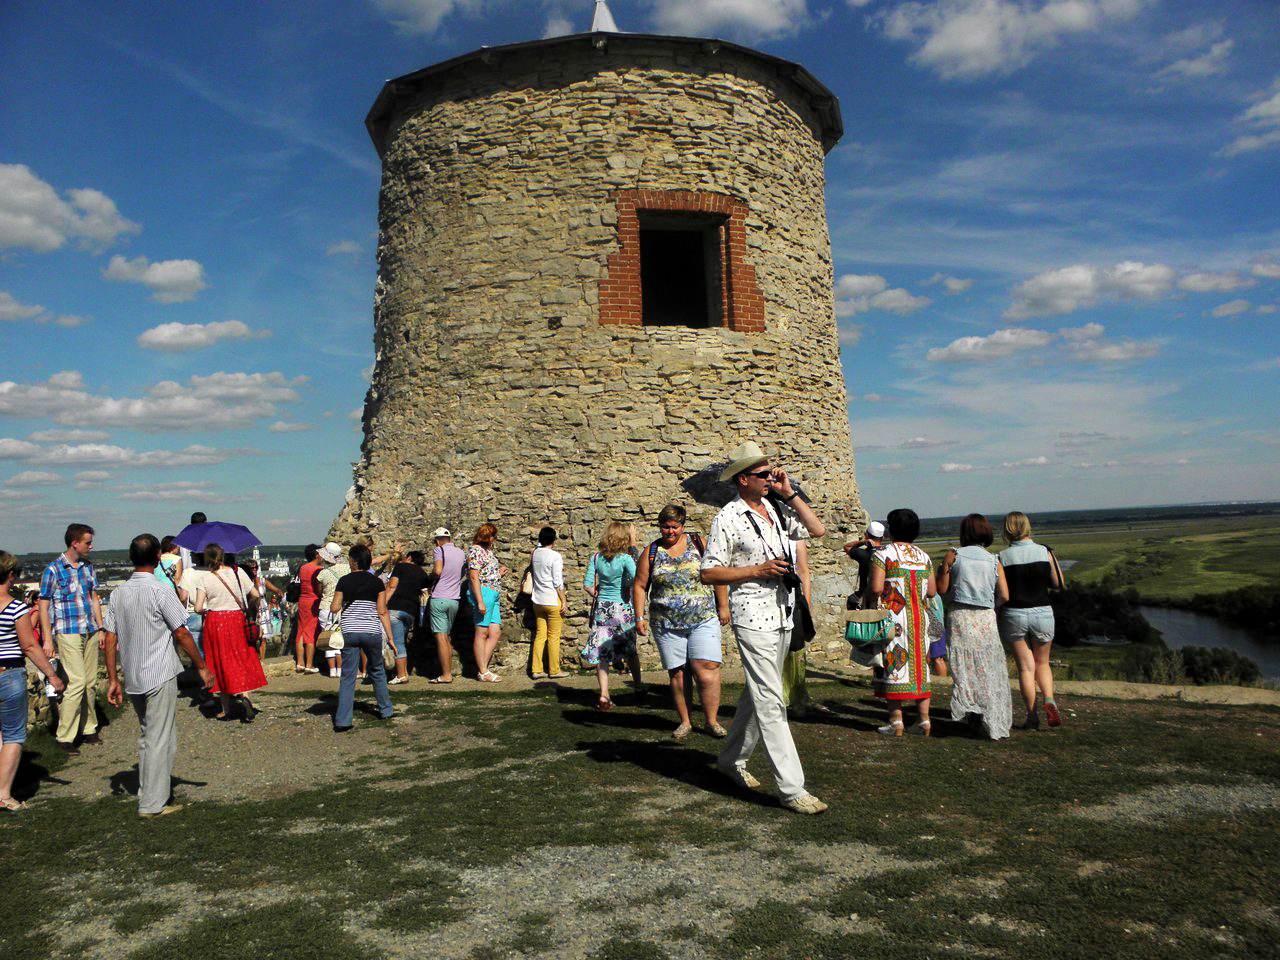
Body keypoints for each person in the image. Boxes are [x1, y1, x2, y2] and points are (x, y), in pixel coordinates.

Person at [701, 441, 828, 815]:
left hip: (783, 612)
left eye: (772, 472)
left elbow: (817, 530)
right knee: (773, 701)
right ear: (743, 480)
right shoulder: (727, 517)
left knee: (758, 695)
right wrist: (756, 571)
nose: (770, 478)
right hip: (752, 616)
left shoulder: (776, 509)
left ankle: (729, 761)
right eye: (763, 475)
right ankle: (793, 789)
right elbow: (709, 572)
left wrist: (790, 493)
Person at [103, 535, 214, 817]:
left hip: (133, 672)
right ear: (157, 559)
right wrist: (200, 665)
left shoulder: (118, 593)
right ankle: (152, 803)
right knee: (160, 737)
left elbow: (111, 638)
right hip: (160, 671)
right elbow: (181, 631)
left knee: (146, 734)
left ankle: (147, 788)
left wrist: (113, 678)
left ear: (131, 558)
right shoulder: (161, 591)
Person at [632, 505, 728, 739]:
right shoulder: (651, 551)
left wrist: (723, 605)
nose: (670, 531)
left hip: (702, 618)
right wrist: (639, 616)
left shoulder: (699, 543)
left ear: (683, 525)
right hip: (666, 622)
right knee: (678, 674)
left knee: (706, 671)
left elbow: (717, 573)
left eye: (674, 527)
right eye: (665, 526)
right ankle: (685, 721)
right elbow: (640, 585)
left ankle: (711, 721)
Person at [937, 514, 1012, 740]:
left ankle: (973, 711)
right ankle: (987, 714)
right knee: (987, 665)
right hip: (985, 617)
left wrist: (944, 569)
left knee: (965, 667)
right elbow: (1005, 595)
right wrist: (991, 607)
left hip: (961, 614)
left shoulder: (954, 555)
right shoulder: (994, 560)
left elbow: (942, 588)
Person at [0, 552, 64, 811]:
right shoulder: (15, 608)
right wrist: (51, 674)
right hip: (9, 674)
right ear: (11, 575)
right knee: (13, 735)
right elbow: (28, 645)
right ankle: (4, 793)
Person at [868, 508, 936, 736]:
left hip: (893, 619)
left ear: (891, 529)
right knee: (921, 666)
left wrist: (868, 597)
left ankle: (896, 721)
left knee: (892, 662)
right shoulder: (924, 557)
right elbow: (933, 591)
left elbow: (877, 588)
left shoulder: (883, 554)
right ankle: (924, 720)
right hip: (920, 617)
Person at [39, 522, 104, 755]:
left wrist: (101, 626)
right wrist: (47, 638)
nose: (91, 546)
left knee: (90, 682)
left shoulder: (88, 567)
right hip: (67, 630)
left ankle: (89, 728)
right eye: (87, 542)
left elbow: (93, 597)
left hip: (89, 628)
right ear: (74, 543)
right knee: (76, 681)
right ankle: (64, 735)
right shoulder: (53, 570)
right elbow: (43, 604)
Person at [998, 511, 1065, 730]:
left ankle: (1032, 717)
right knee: (1043, 663)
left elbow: (1001, 591)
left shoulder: (1002, 557)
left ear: (1007, 530)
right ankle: (1049, 699)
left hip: (1014, 613)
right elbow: (1058, 583)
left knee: (1026, 669)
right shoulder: (1045, 551)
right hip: (1042, 612)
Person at [194, 543, 267, 721]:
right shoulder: (238, 572)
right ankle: (245, 696)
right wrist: (245, 607)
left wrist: (206, 609)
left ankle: (225, 709)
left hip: (216, 621)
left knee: (219, 661)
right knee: (240, 657)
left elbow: (197, 608)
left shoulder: (205, 578)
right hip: (237, 619)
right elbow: (256, 594)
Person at [330, 543, 395, 731]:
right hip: (371, 631)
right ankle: (386, 710)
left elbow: (334, 607)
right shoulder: (376, 582)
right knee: (377, 671)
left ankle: (343, 720)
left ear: (355, 561)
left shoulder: (344, 581)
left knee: (348, 676)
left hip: (350, 631)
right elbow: (382, 612)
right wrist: (390, 638)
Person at [581, 522, 638, 710]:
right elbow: (639, 579)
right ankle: (638, 684)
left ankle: (604, 695)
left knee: (603, 653)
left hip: (603, 609)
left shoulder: (596, 557)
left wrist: (597, 594)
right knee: (630, 647)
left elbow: (588, 584)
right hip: (622, 608)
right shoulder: (625, 559)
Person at [467, 524, 508, 682]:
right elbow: (473, 577)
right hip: (483, 593)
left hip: (493, 592)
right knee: (482, 632)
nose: (495, 540)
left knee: (495, 632)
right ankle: (483, 671)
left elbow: (485, 574)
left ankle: (483, 669)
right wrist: (480, 601)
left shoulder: (488, 552)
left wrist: (498, 574)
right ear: (487, 536)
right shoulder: (476, 550)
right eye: (493, 536)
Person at [529, 527, 569, 679]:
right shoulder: (555, 556)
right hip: (552, 600)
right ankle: (554, 670)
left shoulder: (535, 554)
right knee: (553, 637)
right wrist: (564, 600)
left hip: (537, 600)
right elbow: (557, 582)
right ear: (554, 540)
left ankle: (536, 670)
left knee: (540, 635)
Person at [383, 550, 427, 684]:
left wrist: (382, 604)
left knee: (397, 643)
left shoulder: (401, 566)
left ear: (409, 558)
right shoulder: (423, 574)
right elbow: (425, 593)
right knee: (400, 640)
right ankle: (402, 671)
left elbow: (392, 586)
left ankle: (401, 675)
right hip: (411, 611)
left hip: (395, 607)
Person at [780, 539, 813, 716]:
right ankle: (777, 697)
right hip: (770, 597)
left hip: (794, 598)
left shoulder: (795, 539)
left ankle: (796, 697)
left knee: (796, 649)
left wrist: (806, 603)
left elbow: (803, 571)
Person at [429, 528, 466, 683]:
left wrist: (429, 577)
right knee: (447, 637)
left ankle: (446, 674)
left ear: (437, 540)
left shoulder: (439, 550)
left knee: (441, 637)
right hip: (454, 599)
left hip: (439, 597)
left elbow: (437, 571)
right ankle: (448, 671)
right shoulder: (461, 553)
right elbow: (463, 571)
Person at [314, 543, 349, 678]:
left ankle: (332, 670)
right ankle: (340, 669)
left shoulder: (323, 573)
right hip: (341, 607)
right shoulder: (347, 568)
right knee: (339, 639)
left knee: (327, 638)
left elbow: (319, 591)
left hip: (326, 607)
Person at [242, 559, 284, 659]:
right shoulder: (244, 582)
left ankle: (262, 660)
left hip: (263, 611)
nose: (255, 569)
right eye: (252, 568)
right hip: (251, 611)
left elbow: (275, 589)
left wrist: (279, 592)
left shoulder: (261, 580)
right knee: (252, 636)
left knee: (263, 638)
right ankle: (253, 658)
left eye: (256, 567)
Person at [294, 544, 323, 674]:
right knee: (310, 633)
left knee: (301, 631)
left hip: (303, 600)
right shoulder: (318, 569)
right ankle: (309, 664)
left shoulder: (303, 568)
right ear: (317, 555)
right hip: (314, 601)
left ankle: (300, 663)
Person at [844, 520, 885, 609]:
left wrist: (863, 542)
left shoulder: (863, 554)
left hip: (864, 596)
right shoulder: (887, 553)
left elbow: (847, 547)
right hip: (883, 598)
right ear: (882, 538)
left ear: (866, 535)